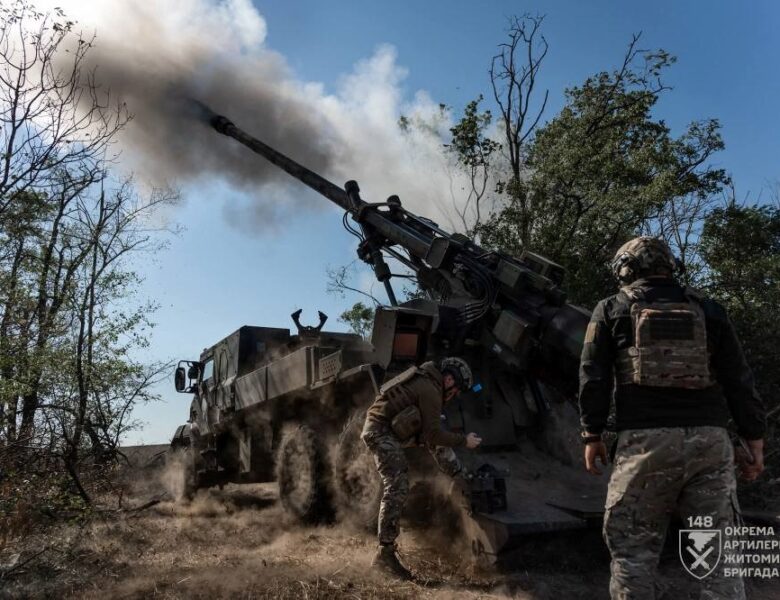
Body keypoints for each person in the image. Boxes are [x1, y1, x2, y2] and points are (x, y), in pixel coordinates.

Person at [579, 236, 766, 600]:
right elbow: (739, 378)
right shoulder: (710, 310)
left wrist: (592, 433)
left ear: (625, 270)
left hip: (645, 446)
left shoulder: (611, 309)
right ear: (671, 266)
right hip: (711, 446)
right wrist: (753, 437)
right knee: (717, 556)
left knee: (633, 554)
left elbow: (593, 376)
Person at [361, 357, 482, 578]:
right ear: (448, 380)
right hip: (380, 431)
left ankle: (461, 477)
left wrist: (458, 475)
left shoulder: (429, 385)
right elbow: (433, 435)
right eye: (456, 390)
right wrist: (464, 441)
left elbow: (434, 443)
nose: (454, 395)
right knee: (397, 484)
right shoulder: (430, 391)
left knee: (427, 455)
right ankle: (384, 555)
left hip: (388, 430)